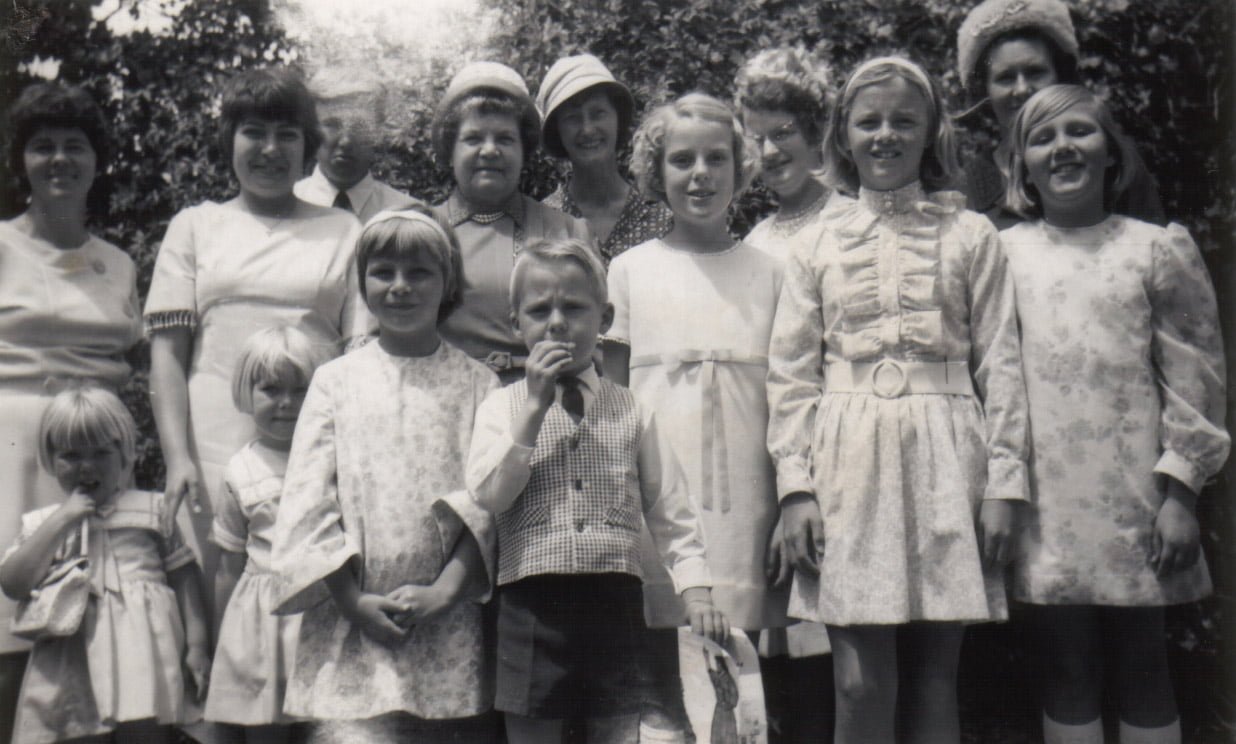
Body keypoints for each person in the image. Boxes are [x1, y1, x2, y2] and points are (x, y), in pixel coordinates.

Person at [767, 56, 1030, 744]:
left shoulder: (971, 236)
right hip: (848, 461)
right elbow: (792, 375)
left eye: (903, 120)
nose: (885, 135)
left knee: (935, 679)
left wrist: (1006, 484)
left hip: (947, 452)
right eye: (869, 121)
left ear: (931, 132)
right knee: (859, 679)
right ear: (844, 136)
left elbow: (1001, 363)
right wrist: (796, 490)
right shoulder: (815, 242)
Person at [1000, 84, 1228, 744]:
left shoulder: (1155, 249)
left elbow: (1197, 377)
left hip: (1139, 498)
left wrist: (1181, 494)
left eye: (1080, 132)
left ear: (1111, 155)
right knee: (1066, 665)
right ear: (1021, 167)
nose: (1062, 147)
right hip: (1046, 504)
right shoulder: (1004, 254)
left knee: (1143, 663)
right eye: (1041, 138)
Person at [467, 238, 728, 744]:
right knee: (533, 731)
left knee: (615, 729)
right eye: (540, 310)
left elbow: (671, 511)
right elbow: (490, 495)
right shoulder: (501, 408)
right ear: (516, 322)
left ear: (604, 319)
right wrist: (534, 411)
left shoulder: (632, 409)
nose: (558, 322)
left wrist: (695, 590)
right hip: (531, 601)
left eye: (575, 307)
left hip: (613, 601)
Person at [271, 208, 499, 743]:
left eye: (419, 272)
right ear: (362, 281)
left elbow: (487, 504)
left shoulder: (478, 385)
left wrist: (445, 591)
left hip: (445, 622)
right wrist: (353, 602)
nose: (400, 287)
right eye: (384, 272)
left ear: (447, 283)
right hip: (350, 624)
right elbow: (309, 500)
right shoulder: (334, 382)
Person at [603, 92, 786, 743]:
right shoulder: (629, 272)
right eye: (682, 160)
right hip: (661, 502)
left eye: (717, 158)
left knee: (742, 676)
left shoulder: (771, 271)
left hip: (748, 499)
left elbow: (789, 397)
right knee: (664, 678)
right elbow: (611, 403)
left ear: (742, 168)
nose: (700, 173)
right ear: (657, 173)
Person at [145, 68, 368, 602]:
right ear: (230, 140)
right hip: (211, 442)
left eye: (287, 135)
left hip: (312, 438)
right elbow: (167, 360)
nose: (270, 149)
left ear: (308, 148)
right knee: (213, 597)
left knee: (308, 599)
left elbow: (360, 355)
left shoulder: (344, 230)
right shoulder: (195, 225)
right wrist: (179, 458)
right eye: (254, 132)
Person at [0, 81, 143, 742]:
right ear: (20, 161)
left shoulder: (117, 263)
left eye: (75, 147)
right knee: (11, 636)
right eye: (43, 147)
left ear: (96, 160)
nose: (59, 160)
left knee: (102, 635)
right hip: (12, 449)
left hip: (96, 456)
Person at [0, 384, 209, 744]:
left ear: (124, 452)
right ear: (50, 459)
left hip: (143, 650)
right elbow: (13, 583)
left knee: (144, 731)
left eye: (100, 452)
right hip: (73, 656)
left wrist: (198, 645)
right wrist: (62, 521)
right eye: (70, 455)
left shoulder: (152, 509)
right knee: (78, 729)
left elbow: (184, 574)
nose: (86, 467)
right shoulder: (43, 523)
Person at [204, 326, 334, 742]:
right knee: (266, 729)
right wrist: (223, 639)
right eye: (272, 390)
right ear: (247, 392)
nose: (286, 403)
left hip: (324, 610)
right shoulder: (241, 470)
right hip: (262, 621)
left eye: (300, 390)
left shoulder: (333, 456)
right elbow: (228, 563)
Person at [430, 61, 591, 382]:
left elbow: (592, 339)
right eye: (473, 139)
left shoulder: (566, 230)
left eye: (504, 139)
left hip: (549, 403)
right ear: (450, 150)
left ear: (524, 151)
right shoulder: (422, 229)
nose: (489, 151)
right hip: (450, 402)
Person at [956, 0, 1164, 228]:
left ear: (1060, 75)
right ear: (985, 89)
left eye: (1035, 72)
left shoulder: (1111, 163)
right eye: (1006, 77)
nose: (1022, 88)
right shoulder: (968, 187)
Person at [536, 54, 672, 262]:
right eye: (573, 118)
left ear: (617, 119)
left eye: (598, 113)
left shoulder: (661, 220)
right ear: (558, 132)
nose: (588, 129)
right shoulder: (542, 223)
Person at [736, 47, 835, 262]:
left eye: (782, 134)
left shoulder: (851, 224)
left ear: (815, 130)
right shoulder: (756, 241)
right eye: (758, 139)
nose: (768, 152)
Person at [295, 67, 423, 223]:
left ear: (378, 132)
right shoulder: (281, 206)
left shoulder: (407, 216)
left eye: (359, 126)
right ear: (312, 128)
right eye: (333, 125)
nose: (346, 141)